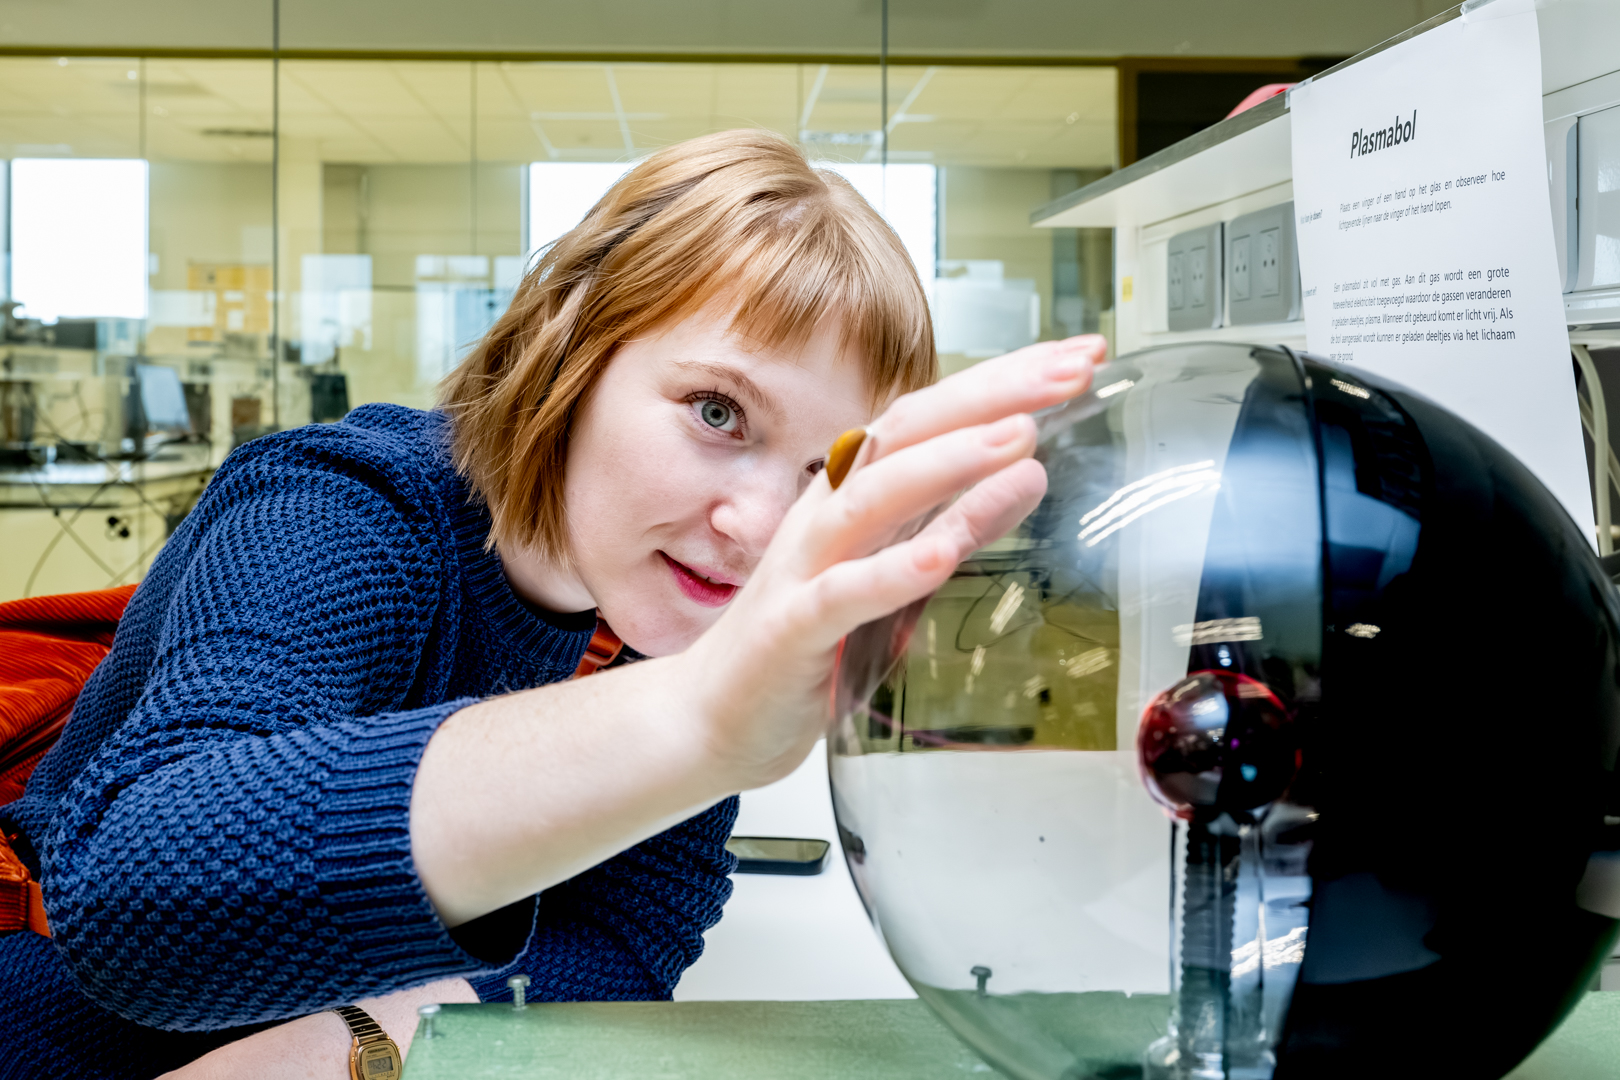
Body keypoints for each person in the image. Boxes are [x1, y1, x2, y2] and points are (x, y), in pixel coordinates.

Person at [0, 129, 1102, 1078]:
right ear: (568, 349)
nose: (761, 527)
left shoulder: (664, 606)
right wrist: (694, 721)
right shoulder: (337, 507)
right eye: (718, 411)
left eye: (825, 469)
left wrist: (367, 1039)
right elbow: (134, 890)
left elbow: (626, 940)